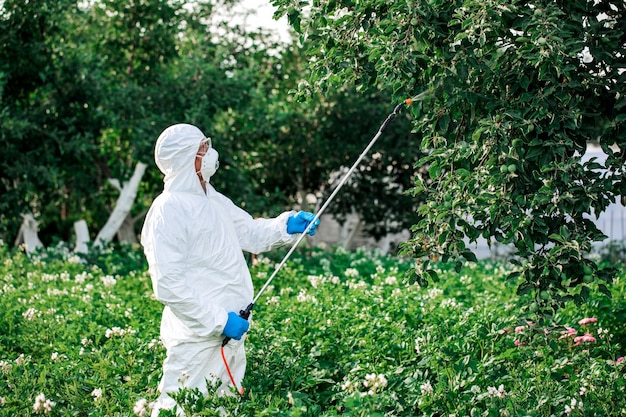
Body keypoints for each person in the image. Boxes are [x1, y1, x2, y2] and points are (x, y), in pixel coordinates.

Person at [140, 123, 320, 415]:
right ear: (188, 157)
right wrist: (218, 320)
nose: (210, 153)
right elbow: (168, 284)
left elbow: (249, 232)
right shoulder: (168, 209)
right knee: (180, 408)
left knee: (222, 409)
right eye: (203, 149)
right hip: (198, 339)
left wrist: (285, 225)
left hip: (230, 337)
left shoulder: (213, 199)